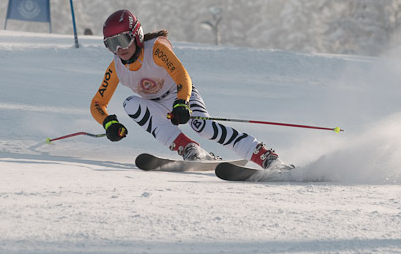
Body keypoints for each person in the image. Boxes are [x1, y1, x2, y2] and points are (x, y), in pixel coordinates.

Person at [90, 9, 287, 169]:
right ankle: (189, 149)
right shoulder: (116, 67)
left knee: (202, 126)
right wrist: (108, 123)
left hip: (181, 94)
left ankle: (263, 156)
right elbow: (98, 103)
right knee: (130, 104)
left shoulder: (156, 50)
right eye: (112, 44)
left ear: (136, 35)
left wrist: (181, 103)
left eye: (122, 41)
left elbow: (181, 76)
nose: (119, 50)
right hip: (155, 104)